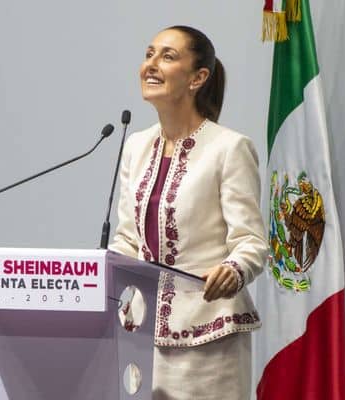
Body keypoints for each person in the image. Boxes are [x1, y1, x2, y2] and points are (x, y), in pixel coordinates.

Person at [109, 25, 268, 400]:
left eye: (167, 56)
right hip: (139, 332)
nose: (151, 64)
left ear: (198, 78)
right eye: (149, 54)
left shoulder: (229, 148)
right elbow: (128, 237)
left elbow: (251, 240)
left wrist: (234, 269)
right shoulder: (135, 146)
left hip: (208, 336)